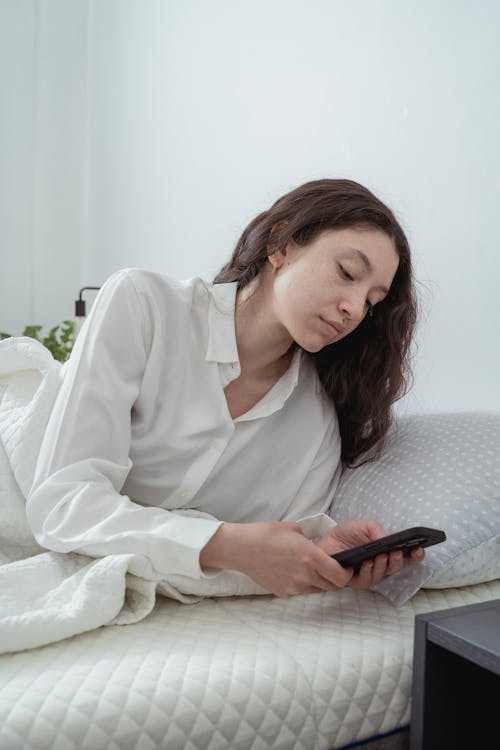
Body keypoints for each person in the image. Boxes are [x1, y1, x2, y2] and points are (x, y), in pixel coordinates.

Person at [27, 178, 424, 599]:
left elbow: (284, 544)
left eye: (371, 302)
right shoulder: (143, 306)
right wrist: (224, 545)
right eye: (347, 273)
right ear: (281, 244)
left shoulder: (316, 423)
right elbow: (62, 502)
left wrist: (321, 554)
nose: (354, 308)